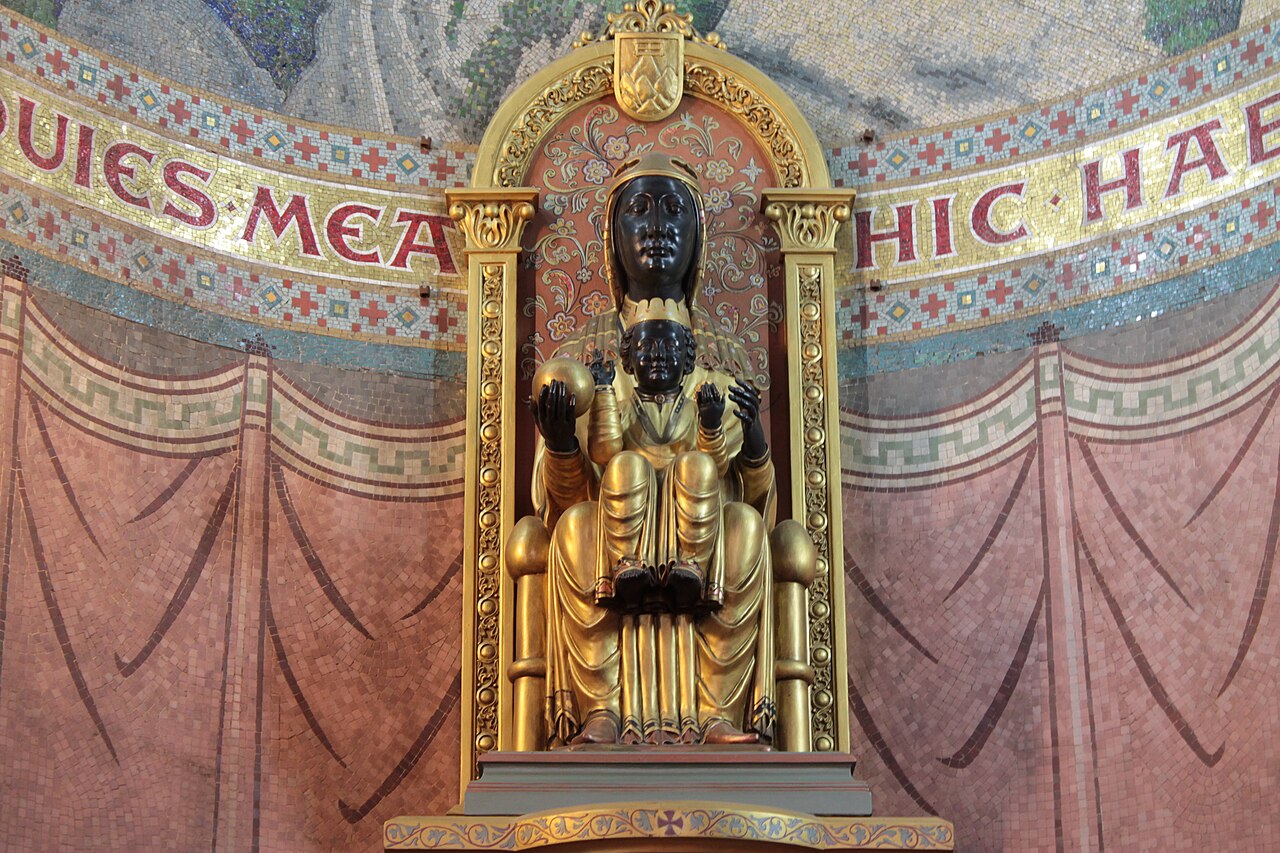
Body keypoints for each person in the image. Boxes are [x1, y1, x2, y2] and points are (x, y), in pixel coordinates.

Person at [524, 154, 777, 746]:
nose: (659, 226)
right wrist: (562, 442)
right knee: (571, 534)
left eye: (675, 210)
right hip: (610, 534)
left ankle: (719, 714)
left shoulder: (723, 367)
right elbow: (563, 500)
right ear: (613, 237)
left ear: (698, 236)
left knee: (744, 529)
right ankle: (600, 712)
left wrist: (743, 440)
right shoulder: (584, 367)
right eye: (638, 210)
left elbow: (752, 488)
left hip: (704, 531)